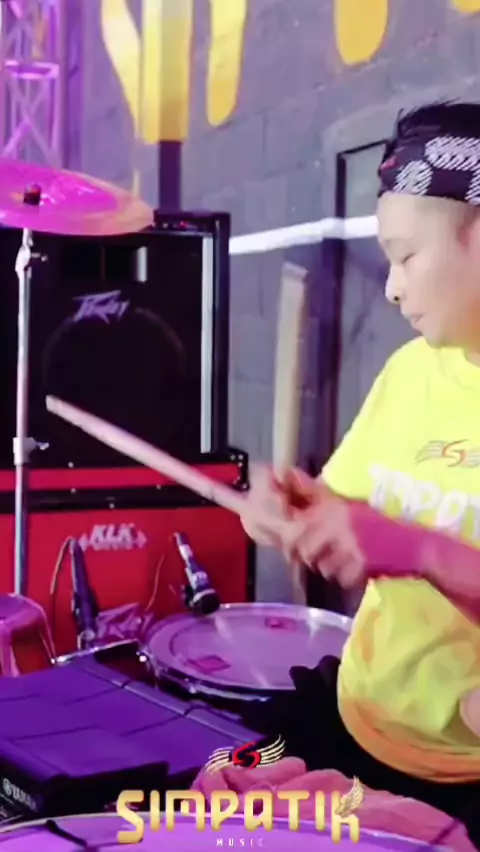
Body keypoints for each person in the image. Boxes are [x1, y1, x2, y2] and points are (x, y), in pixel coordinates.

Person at [240, 102, 480, 849]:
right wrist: (293, 506)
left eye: (406, 257)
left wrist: (415, 548)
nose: (391, 288)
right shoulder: (411, 369)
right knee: (210, 794)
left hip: (463, 775)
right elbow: (348, 504)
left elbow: (394, 538)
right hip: (356, 719)